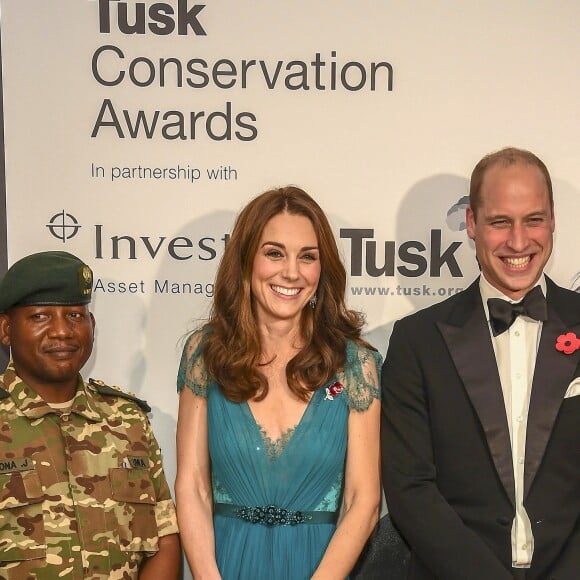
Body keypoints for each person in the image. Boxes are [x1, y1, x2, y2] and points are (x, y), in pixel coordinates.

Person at [381, 147, 580, 580]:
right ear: (471, 223)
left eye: (534, 219)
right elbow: (410, 489)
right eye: (499, 222)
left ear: (553, 219)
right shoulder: (418, 341)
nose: (518, 241)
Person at [176, 186, 381, 579]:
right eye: (274, 253)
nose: (291, 272)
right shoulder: (205, 354)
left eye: (307, 257)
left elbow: (363, 500)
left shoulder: (356, 366)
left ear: (322, 271)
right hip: (225, 566)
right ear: (246, 260)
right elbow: (193, 485)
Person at [0, 251, 180, 579]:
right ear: (6, 330)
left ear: (92, 325)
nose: (62, 332)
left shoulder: (128, 420)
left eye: (74, 316)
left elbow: (164, 537)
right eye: (40, 317)